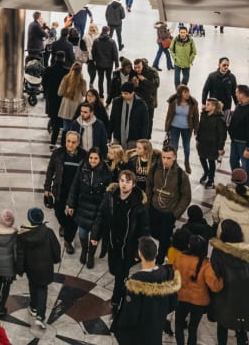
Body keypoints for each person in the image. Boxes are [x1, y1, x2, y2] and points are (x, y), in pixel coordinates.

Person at [91, 170, 150, 315]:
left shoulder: (139, 205)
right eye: (122, 181)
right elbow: (101, 215)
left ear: (133, 184)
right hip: (112, 242)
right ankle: (119, 289)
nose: (124, 184)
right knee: (113, 269)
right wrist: (95, 235)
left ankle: (116, 300)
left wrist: (138, 251)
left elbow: (144, 230)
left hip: (128, 247)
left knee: (120, 275)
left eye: (128, 182)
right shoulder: (110, 197)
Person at [111, 237, 180, 345]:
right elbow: (174, 302)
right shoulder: (167, 274)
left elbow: (130, 316)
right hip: (156, 330)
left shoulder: (136, 282)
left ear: (140, 254)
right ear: (156, 253)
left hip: (138, 334)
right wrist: (158, 314)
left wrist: (118, 325)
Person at [209, 220, 249, 345]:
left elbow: (215, 277)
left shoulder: (218, 253)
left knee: (222, 325)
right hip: (247, 298)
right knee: (241, 328)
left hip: (225, 298)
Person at [171, 235, 223, 345]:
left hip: (181, 298)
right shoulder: (206, 264)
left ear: (189, 246)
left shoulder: (179, 258)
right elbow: (215, 286)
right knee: (193, 328)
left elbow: (173, 277)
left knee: (179, 326)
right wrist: (222, 278)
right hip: (199, 302)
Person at [66, 147, 112, 269]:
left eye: (95, 158)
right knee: (82, 233)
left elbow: (109, 193)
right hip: (83, 207)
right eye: (91, 157)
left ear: (100, 159)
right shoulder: (82, 168)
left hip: (98, 209)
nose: (93, 160)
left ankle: (91, 255)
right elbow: (75, 186)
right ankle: (84, 251)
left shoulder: (106, 172)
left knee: (95, 236)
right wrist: (71, 204)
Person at [16, 207, 61, 329]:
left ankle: (33, 307)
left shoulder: (23, 235)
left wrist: (19, 269)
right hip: (46, 267)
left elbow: (20, 254)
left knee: (33, 284)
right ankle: (40, 316)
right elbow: (56, 249)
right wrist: (56, 259)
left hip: (31, 268)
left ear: (29, 220)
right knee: (42, 289)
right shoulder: (49, 232)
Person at [147, 145, 192, 265]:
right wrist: (148, 203)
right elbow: (149, 185)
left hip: (169, 213)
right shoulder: (155, 168)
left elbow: (186, 196)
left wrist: (175, 214)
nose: (165, 161)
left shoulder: (181, 175)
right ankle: (168, 244)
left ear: (174, 158)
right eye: (163, 157)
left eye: (168, 158)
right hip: (154, 208)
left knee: (164, 237)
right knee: (154, 232)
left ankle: (160, 259)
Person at [45, 131, 86, 254]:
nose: (70, 144)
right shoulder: (58, 154)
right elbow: (50, 170)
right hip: (60, 190)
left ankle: (68, 240)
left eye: (73, 142)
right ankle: (63, 224)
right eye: (68, 141)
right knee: (59, 213)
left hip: (76, 193)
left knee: (73, 219)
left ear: (78, 143)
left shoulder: (84, 156)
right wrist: (47, 188)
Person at [211, 167, 249, 243]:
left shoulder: (222, 194)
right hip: (246, 237)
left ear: (232, 179)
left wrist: (217, 222)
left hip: (224, 232)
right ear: (246, 181)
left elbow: (214, 213)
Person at [228, 85, 249, 186]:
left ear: (242, 94)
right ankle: (239, 183)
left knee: (246, 166)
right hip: (235, 141)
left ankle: (246, 188)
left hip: (244, 144)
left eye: (237, 93)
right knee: (233, 162)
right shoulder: (239, 105)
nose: (235, 94)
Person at [164, 85, 200, 174]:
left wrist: (196, 129)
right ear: (180, 93)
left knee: (186, 148)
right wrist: (167, 128)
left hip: (187, 128)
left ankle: (186, 162)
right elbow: (169, 115)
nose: (187, 94)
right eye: (185, 92)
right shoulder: (173, 102)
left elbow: (196, 116)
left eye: (188, 92)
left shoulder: (193, 102)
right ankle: (173, 164)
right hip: (174, 127)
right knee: (174, 147)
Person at [196, 98, 227, 188]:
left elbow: (222, 134)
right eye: (207, 104)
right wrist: (198, 139)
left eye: (208, 104)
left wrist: (220, 148)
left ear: (213, 107)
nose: (206, 105)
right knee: (202, 158)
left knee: (211, 160)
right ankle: (206, 172)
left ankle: (211, 179)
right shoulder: (203, 115)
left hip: (213, 144)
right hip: (202, 142)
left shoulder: (219, 119)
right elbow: (200, 128)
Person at [42, 51, 70, 147]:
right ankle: (58, 142)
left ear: (55, 58)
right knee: (60, 119)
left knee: (54, 117)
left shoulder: (48, 70)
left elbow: (44, 83)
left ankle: (53, 139)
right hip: (62, 99)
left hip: (51, 98)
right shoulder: (67, 71)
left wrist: (46, 93)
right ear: (64, 59)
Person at [108, 83, 150, 149]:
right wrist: (109, 135)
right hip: (118, 137)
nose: (123, 95)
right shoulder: (117, 102)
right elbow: (112, 119)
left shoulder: (141, 104)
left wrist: (143, 140)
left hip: (133, 139)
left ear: (132, 93)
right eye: (122, 93)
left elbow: (145, 123)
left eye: (126, 93)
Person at [130, 58, 160, 132]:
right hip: (138, 101)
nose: (137, 69)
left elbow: (155, 86)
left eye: (138, 67)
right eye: (135, 67)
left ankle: (147, 139)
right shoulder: (134, 73)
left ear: (143, 65)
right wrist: (134, 85)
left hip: (149, 101)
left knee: (149, 121)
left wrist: (144, 80)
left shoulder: (152, 72)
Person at [91, 26, 119, 99]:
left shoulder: (96, 41)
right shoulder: (112, 42)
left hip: (99, 63)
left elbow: (93, 52)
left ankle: (101, 94)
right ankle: (109, 93)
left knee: (100, 79)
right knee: (109, 79)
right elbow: (115, 53)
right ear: (108, 31)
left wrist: (94, 60)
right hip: (109, 64)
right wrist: (117, 64)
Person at [57, 62, 87, 133]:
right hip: (77, 107)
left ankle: (64, 142)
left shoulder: (65, 79)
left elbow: (59, 93)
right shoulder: (83, 82)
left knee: (66, 128)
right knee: (75, 129)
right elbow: (84, 94)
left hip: (66, 107)